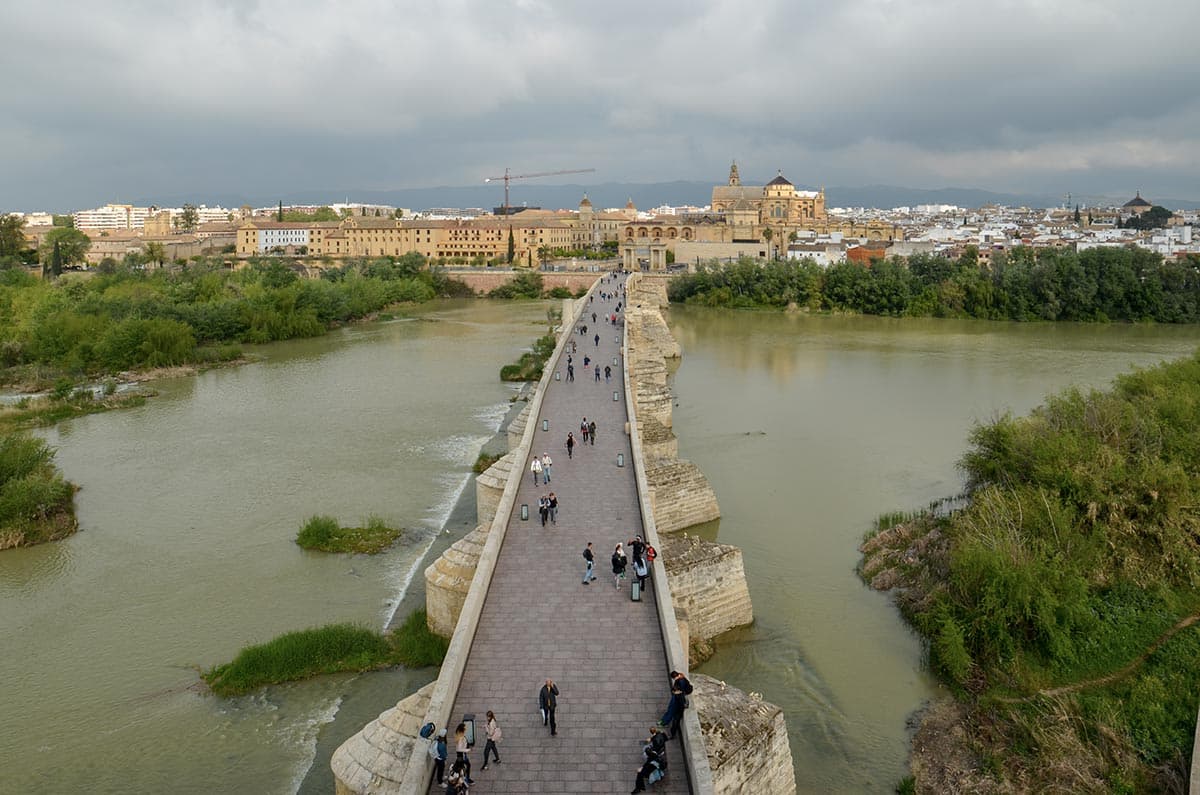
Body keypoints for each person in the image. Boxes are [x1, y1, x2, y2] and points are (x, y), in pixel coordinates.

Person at [658, 670, 693, 740]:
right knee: (671, 710)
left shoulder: (681, 685)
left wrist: (683, 704)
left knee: (675, 720)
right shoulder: (680, 680)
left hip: (679, 706)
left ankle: (669, 730)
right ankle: (664, 721)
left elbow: (683, 701)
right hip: (678, 702)